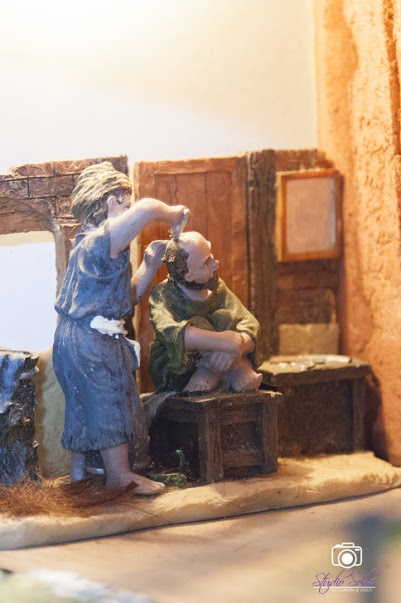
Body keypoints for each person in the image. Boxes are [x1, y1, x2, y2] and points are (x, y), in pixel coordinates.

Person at [53, 161, 188, 494]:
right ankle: (119, 476)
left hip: (76, 335)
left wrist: (149, 265)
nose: (128, 209)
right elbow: (146, 209)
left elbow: (124, 300)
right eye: (123, 204)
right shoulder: (101, 241)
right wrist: (171, 214)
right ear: (107, 202)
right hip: (91, 339)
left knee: (83, 404)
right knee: (107, 399)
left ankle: (79, 474)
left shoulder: (88, 246)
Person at [148, 231, 262, 393]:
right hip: (177, 366)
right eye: (207, 262)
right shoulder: (162, 294)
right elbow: (171, 333)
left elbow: (248, 321)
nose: (216, 263)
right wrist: (222, 341)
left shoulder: (217, 287)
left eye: (211, 255)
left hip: (225, 352)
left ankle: (219, 368)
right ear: (189, 275)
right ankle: (232, 368)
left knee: (225, 317)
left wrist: (237, 346)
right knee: (198, 323)